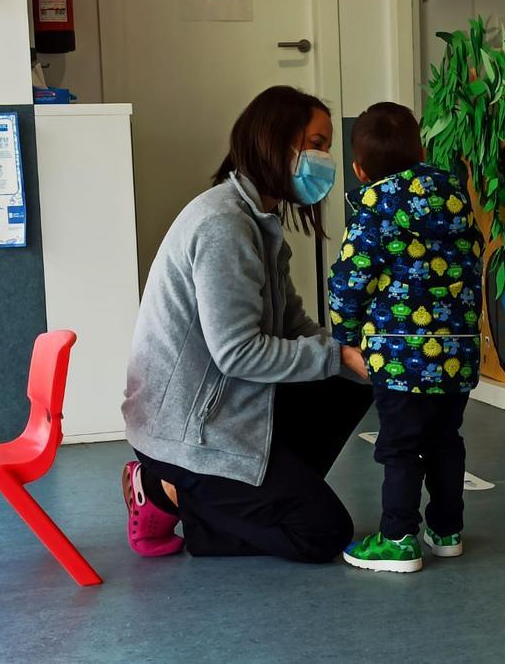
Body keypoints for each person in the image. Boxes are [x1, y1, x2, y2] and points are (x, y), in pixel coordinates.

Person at [120, 85, 373, 563]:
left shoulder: (258, 219)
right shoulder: (224, 225)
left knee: (348, 383)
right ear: (275, 142)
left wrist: (355, 356)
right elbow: (237, 352)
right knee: (322, 533)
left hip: (226, 407)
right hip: (187, 432)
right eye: (316, 144)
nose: (326, 159)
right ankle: (167, 491)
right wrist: (336, 354)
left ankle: (260, 492)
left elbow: (293, 323)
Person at [327, 102, 482, 573]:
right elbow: (473, 254)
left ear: (359, 168)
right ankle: (447, 529)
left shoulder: (374, 201)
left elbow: (352, 276)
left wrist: (344, 333)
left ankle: (397, 537)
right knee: (445, 438)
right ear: (421, 149)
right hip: (456, 349)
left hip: (398, 355)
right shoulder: (453, 192)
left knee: (400, 445)